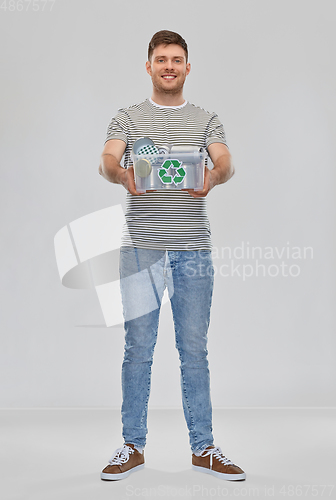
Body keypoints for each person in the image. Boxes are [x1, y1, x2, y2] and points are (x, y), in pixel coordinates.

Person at [98, 30, 246, 482]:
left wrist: (215, 178)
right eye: (160, 59)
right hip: (142, 249)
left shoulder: (206, 119)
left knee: (194, 351)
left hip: (193, 251)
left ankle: (204, 447)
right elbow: (106, 159)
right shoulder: (127, 116)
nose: (168, 66)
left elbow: (226, 161)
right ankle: (132, 446)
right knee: (138, 349)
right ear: (148, 66)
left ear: (187, 67)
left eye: (176, 59)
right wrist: (121, 174)